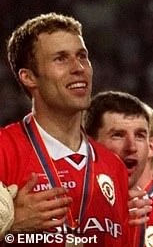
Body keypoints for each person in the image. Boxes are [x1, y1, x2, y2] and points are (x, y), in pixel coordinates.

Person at [0, 13, 133, 245]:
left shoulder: (114, 167)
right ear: (29, 77)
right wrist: (11, 227)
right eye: (61, 59)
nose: (78, 67)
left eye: (82, 56)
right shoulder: (4, 152)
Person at [85, 90, 153, 247]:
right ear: (89, 143)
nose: (131, 147)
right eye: (118, 135)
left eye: (140, 136)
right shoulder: (64, 205)